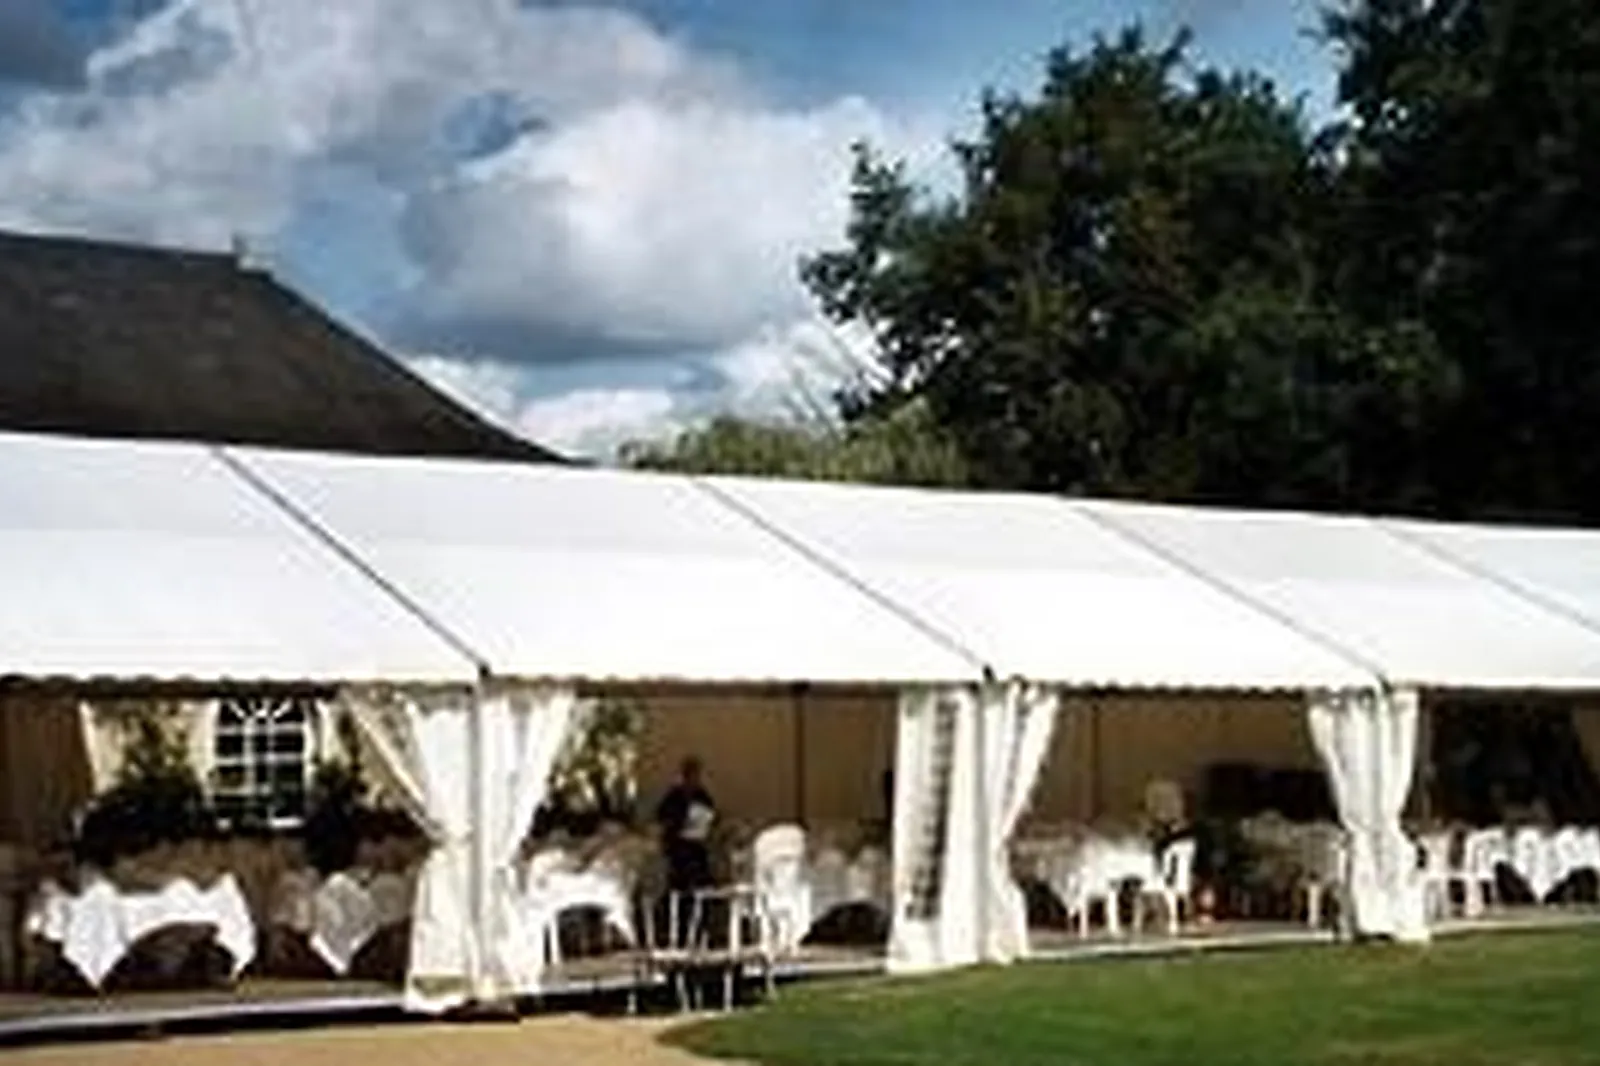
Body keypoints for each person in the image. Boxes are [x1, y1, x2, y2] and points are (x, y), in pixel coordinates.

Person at [656, 756, 717, 893]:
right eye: (690, 775)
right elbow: (662, 816)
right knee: (684, 858)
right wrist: (680, 822)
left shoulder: (701, 794)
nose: (693, 779)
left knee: (699, 857)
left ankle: (701, 890)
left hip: (696, 839)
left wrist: (707, 820)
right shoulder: (674, 795)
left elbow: (711, 812)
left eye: (696, 775)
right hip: (676, 841)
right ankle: (681, 891)